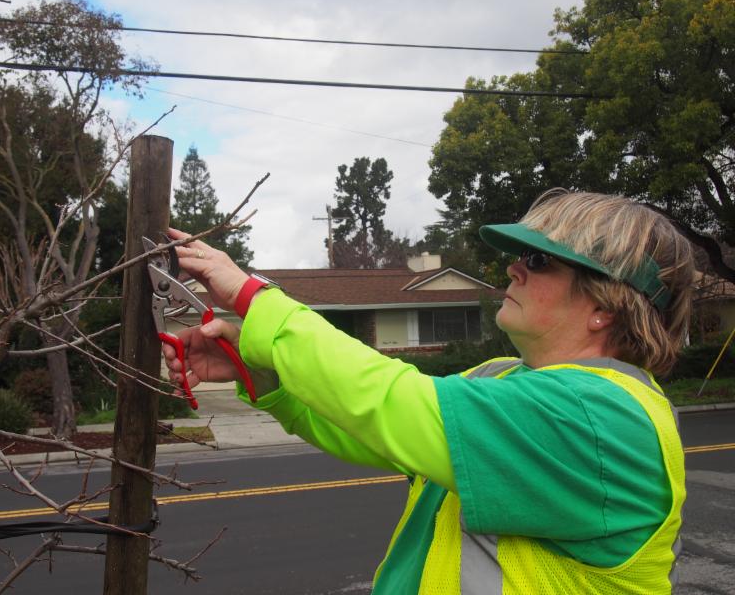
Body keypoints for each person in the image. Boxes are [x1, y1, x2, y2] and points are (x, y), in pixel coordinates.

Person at [162, 189, 695, 594]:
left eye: (538, 260)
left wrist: (255, 299)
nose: (513, 266)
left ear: (606, 304)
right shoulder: (500, 379)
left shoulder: (603, 419)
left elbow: (391, 399)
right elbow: (371, 424)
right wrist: (262, 369)